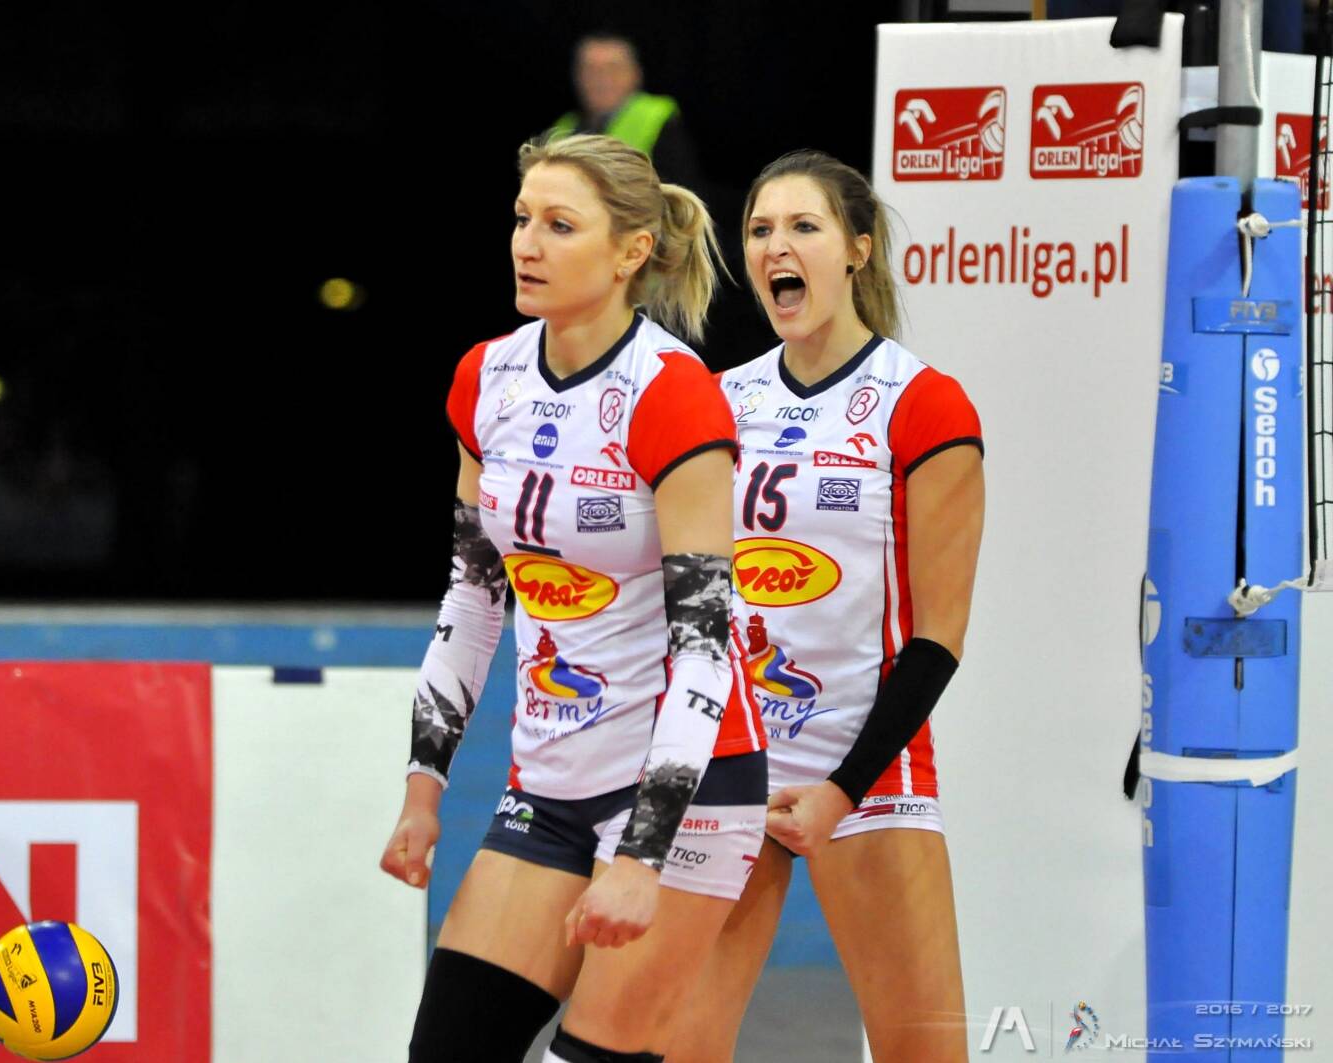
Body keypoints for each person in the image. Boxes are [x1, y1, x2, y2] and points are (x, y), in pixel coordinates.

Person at [379, 133, 767, 1063]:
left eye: (560, 225)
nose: (528, 244)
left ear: (632, 251)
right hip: (550, 786)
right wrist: (424, 788)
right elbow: (475, 599)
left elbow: (707, 645)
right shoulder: (487, 378)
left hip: (685, 789)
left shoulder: (671, 392)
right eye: (522, 219)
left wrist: (640, 855)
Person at [670, 150, 985, 1063]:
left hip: (866, 769)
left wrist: (842, 789)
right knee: (675, 1046)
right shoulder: (720, 400)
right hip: (733, 762)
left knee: (925, 1053)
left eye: (803, 226)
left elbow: (938, 637)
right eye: (760, 229)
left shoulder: (924, 404)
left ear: (857, 248)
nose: (777, 245)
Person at [548, 34, 703, 191]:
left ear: (636, 74)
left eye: (613, 68)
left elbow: (682, 192)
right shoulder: (562, 129)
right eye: (589, 69)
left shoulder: (659, 118)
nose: (601, 78)